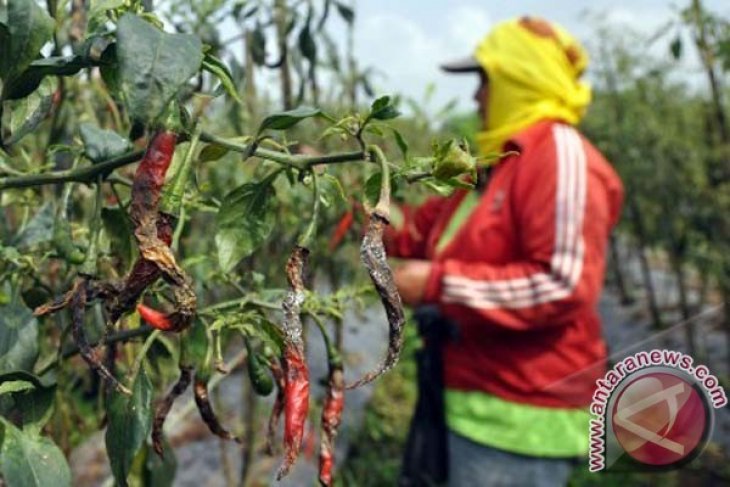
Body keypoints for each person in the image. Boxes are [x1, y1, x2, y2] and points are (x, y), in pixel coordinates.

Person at [387, 17, 624, 487]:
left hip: (522, 415)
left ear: (518, 79)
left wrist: (433, 284)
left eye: (484, 81)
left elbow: (563, 283)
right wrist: (346, 196)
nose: (476, 98)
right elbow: (415, 231)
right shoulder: (492, 168)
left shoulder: (557, 155)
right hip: (465, 394)